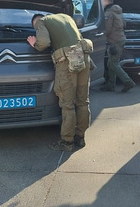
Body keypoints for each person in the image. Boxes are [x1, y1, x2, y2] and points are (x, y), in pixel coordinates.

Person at [27, 13, 92, 152]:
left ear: (36, 21)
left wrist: (35, 43)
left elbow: (44, 42)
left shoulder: (40, 21)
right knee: (82, 101)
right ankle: (80, 137)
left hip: (67, 60)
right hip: (83, 56)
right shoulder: (66, 17)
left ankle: (66, 142)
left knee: (67, 103)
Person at [100, 0, 135, 93]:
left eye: (102, 0)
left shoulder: (109, 13)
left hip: (114, 41)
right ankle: (110, 85)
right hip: (120, 39)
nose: (101, 2)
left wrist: (101, 36)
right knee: (111, 63)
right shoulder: (118, 11)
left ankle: (128, 82)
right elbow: (124, 24)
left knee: (113, 63)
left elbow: (107, 29)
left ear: (106, 1)